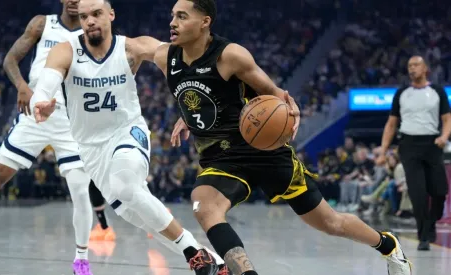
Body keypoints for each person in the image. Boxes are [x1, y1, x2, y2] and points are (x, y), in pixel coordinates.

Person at [155, 0, 412, 274]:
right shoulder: (166, 57)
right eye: (172, 16)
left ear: (205, 21)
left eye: (182, 16)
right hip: (222, 158)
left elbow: (274, 93)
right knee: (204, 207)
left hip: (265, 151)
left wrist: (290, 110)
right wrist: (187, 113)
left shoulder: (230, 55)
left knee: (330, 223)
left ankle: (388, 245)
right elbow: (132, 46)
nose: (172, 22)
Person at [30, 0, 229, 274]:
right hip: (91, 149)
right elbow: (44, 86)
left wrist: (190, 106)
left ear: (111, 15)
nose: (90, 20)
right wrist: (42, 101)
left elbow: (180, 65)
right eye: (85, 15)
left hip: (128, 132)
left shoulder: (132, 48)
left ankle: (194, 254)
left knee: (125, 186)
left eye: (97, 14)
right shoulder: (65, 51)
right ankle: (213, 262)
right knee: (141, 217)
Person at [0, 1, 97, 274]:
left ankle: (81, 259)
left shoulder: (90, 32)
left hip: (70, 120)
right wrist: (22, 86)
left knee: (81, 191)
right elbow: (11, 59)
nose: (73, 1)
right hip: (34, 114)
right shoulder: (42, 24)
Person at [377, 55, 450, 251]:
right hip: (408, 144)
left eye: (416, 64)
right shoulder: (402, 93)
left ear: (425, 68)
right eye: (409, 65)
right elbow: (391, 124)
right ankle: (423, 235)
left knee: (440, 191)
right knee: (417, 193)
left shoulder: (437, 91)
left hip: (433, 144)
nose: (412, 68)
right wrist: (382, 151)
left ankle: (431, 222)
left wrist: (444, 136)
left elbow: (447, 118)